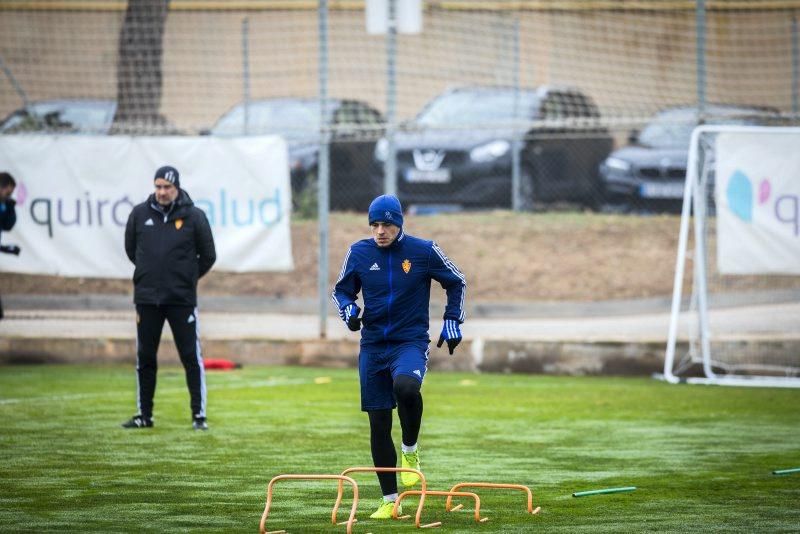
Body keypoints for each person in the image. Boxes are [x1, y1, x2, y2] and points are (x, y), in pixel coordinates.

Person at [331, 194, 466, 519]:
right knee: (378, 423)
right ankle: (389, 500)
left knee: (406, 388)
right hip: (373, 346)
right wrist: (348, 309)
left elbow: (457, 281)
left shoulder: (423, 250)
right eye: (375, 224)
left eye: (387, 224)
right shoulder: (359, 252)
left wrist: (452, 319)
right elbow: (341, 290)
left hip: (409, 341)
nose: (380, 231)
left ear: (399, 224)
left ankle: (410, 450)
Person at [122, 165, 216, 430]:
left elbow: (208, 255)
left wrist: (186, 278)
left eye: (167, 187)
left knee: (190, 357)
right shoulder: (139, 214)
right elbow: (132, 250)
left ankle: (199, 416)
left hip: (181, 299)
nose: (162, 192)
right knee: (146, 357)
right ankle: (144, 415)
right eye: (158, 186)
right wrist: (148, 274)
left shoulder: (194, 216)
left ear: (177, 188)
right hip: (147, 299)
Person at [0, 172, 19, 320]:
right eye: (8, 192)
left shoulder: (4, 205)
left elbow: (7, 226)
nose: (9, 195)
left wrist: (11, 209)